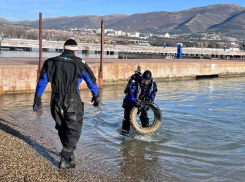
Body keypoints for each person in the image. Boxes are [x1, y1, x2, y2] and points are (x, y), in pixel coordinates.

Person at [33, 39, 99, 169]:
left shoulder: (50, 62)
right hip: (72, 100)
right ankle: (65, 158)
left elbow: (42, 82)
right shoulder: (79, 64)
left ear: (63, 49)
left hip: (55, 100)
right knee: (74, 129)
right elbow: (91, 82)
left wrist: (37, 99)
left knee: (61, 127)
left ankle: (68, 152)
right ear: (75, 51)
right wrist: (95, 96)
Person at [122, 70, 157, 135]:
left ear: (150, 80)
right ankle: (125, 133)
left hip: (143, 101)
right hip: (131, 101)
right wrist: (135, 101)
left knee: (144, 117)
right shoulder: (135, 82)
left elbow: (153, 92)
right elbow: (130, 94)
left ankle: (145, 132)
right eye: (144, 81)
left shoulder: (152, 84)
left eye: (147, 81)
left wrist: (150, 100)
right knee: (127, 119)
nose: (145, 83)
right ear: (142, 79)